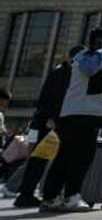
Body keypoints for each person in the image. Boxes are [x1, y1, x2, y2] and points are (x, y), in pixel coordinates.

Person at [41, 27, 102, 213]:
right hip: (83, 115)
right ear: (101, 41)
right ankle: (71, 197)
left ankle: (52, 197)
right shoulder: (89, 56)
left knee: (66, 156)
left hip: (77, 114)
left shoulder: (86, 57)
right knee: (80, 157)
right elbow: (90, 69)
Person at [12, 49, 79, 208]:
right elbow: (53, 99)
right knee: (39, 159)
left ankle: (26, 193)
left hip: (43, 122)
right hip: (49, 124)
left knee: (38, 159)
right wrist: (52, 118)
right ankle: (27, 194)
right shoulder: (64, 74)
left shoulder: (60, 72)